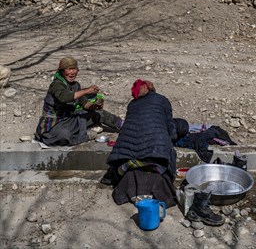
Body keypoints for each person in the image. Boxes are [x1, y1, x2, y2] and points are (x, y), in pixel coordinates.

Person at [106, 79, 179, 207]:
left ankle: (130, 165)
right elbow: (170, 126)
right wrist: (171, 141)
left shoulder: (132, 104)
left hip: (124, 153)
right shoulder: (162, 100)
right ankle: (150, 164)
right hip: (155, 149)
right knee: (168, 154)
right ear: (151, 88)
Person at [35, 56, 123, 146]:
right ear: (62, 71)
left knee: (98, 113)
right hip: (55, 124)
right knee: (64, 135)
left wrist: (94, 105)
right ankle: (84, 135)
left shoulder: (76, 85)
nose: (72, 72)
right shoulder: (56, 85)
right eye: (69, 69)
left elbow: (84, 103)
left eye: (74, 69)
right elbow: (64, 97)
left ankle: (124, 125)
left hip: (71, 120)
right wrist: (86, 91)